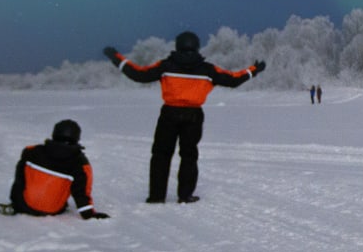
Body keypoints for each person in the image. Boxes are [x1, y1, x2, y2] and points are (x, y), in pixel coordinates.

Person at [103, 33, 265, 203]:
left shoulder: (166, 66)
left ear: (177, 46)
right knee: (189, 155)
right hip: (193, 116)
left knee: (161, 155)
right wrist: (253, 71)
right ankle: (185, 195)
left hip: (169, 114)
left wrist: (116, 58)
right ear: (197, 46)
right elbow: (233, 80)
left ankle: (157, 196)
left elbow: (139, 74)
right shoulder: (207, 69)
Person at [6, 119, 108, 218]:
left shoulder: (31, 151)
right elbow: (81, 193)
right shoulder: (79, 163)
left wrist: (16, 203)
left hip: (23, 205)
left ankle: (16, 206)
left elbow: (19, 180)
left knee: (24, 175)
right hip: (52, 210)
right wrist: (89, 214)